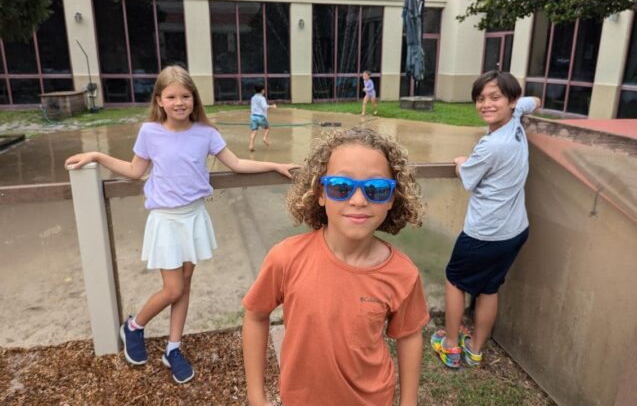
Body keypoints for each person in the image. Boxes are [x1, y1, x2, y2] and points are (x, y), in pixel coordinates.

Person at [64, 65, 297, 384]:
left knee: (185, 283)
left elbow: (237, 163)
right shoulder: (149, 132)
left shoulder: (206, 133)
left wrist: (276, 164)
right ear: (159, 100)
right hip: (166, 220)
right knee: (173, 288)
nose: (179, 102)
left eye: (185, 96)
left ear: (193, 98)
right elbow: (134, 171)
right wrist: (97, 156)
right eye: (171, 96)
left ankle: (173, 348)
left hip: (194, 217)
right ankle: (134, 325)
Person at [242, 127, 429, 406]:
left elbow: (410, 335)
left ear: (392, 198)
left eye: (376, 189)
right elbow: (255, 316)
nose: (358, 200)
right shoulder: (286, 258)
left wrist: (409, 402)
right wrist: (257, 396)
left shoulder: (403, 274)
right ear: (320, 194)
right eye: (341, 187)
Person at [431, 70, 541, 369]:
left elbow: (467, 178)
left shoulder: (491, 146)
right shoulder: (517, 117)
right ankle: (476, 350)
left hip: (484, 233)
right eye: (480, 99)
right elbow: (537, 100)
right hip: (515, 230)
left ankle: (451, 346)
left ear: (510, 100)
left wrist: (460, 161)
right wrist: (521, 103)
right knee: (489, 288)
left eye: (495, 98)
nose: (486, 104)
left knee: (455, 281)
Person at [249, 84, 277, 152]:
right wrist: (272, 106)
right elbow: (264, 107)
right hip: (260, 117)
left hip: (253, 117)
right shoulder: (262, 98)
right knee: (267, 128)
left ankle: (251, 145)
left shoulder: (253, 97)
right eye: (264, 89)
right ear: (262, 91)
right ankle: (264, 138)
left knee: (254, 131)